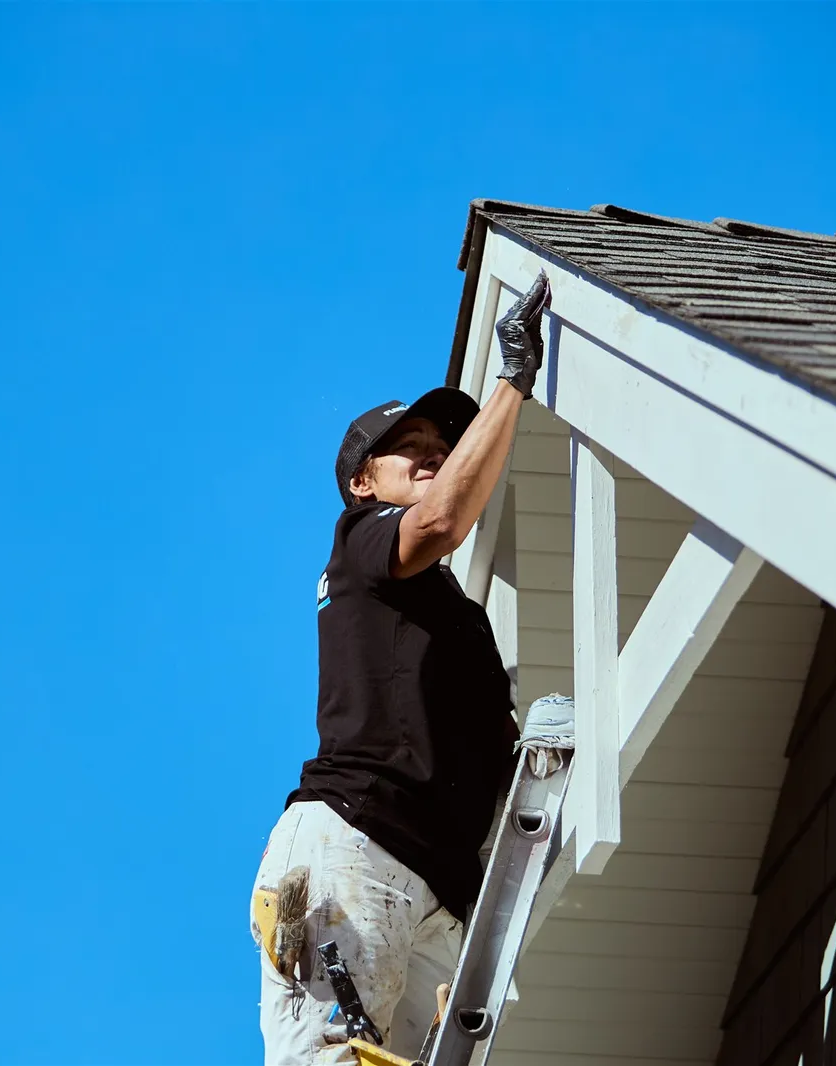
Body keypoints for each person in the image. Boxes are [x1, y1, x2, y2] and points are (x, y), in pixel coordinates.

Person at [249, 273, 552, 1064]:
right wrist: (512, 383)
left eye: (441, 449)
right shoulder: (362, 543)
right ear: (362, 483)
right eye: (408, 449)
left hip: (438, 888)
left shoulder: (441, 614)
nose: (431, 457)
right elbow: (444, 517)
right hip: (359, 839)